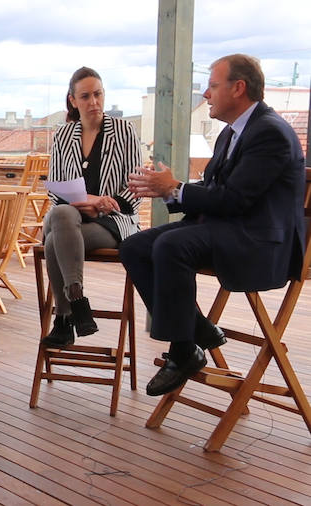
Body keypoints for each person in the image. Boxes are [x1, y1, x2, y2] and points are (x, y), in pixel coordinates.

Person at [120, 54, 306, 396]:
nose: (206, 94)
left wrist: (174, 188)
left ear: (239, 88)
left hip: (258, 241)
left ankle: (183, 348)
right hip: (227, 228)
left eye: (212, 86)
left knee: (170, 246)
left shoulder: (271, 133)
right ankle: (198, 332)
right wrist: (168, 192)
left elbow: (234, 199)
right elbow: (215, 191)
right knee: (133, 247)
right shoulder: (230, 134)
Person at [40, 67, 143, 348]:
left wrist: (102, 204)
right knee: (61, 214)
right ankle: (78, 300)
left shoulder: (124, 131)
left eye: (98, 94)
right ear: (73, 101)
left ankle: (64, 318)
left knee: (53, 239)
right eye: (85, 96)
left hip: (112, 221)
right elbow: (57, 189)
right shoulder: (63, 136)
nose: (93, 102)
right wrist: (84, 203)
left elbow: (136, 189)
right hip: (70, 217)